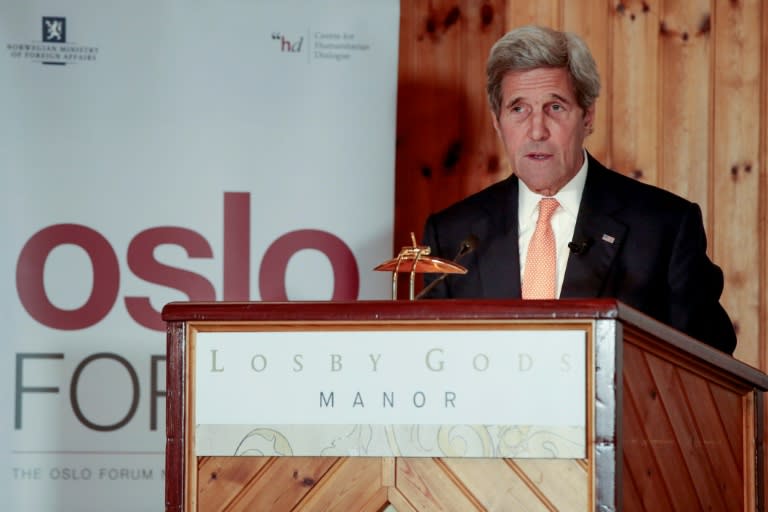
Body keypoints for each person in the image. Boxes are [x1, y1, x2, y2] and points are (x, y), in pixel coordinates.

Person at [420, 25, 737, 354]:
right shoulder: (451, 235)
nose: (537, 130)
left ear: (588, 117)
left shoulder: (664, 228)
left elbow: (708, 367)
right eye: (518, 109)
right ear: (498, 123)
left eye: (555, 107)